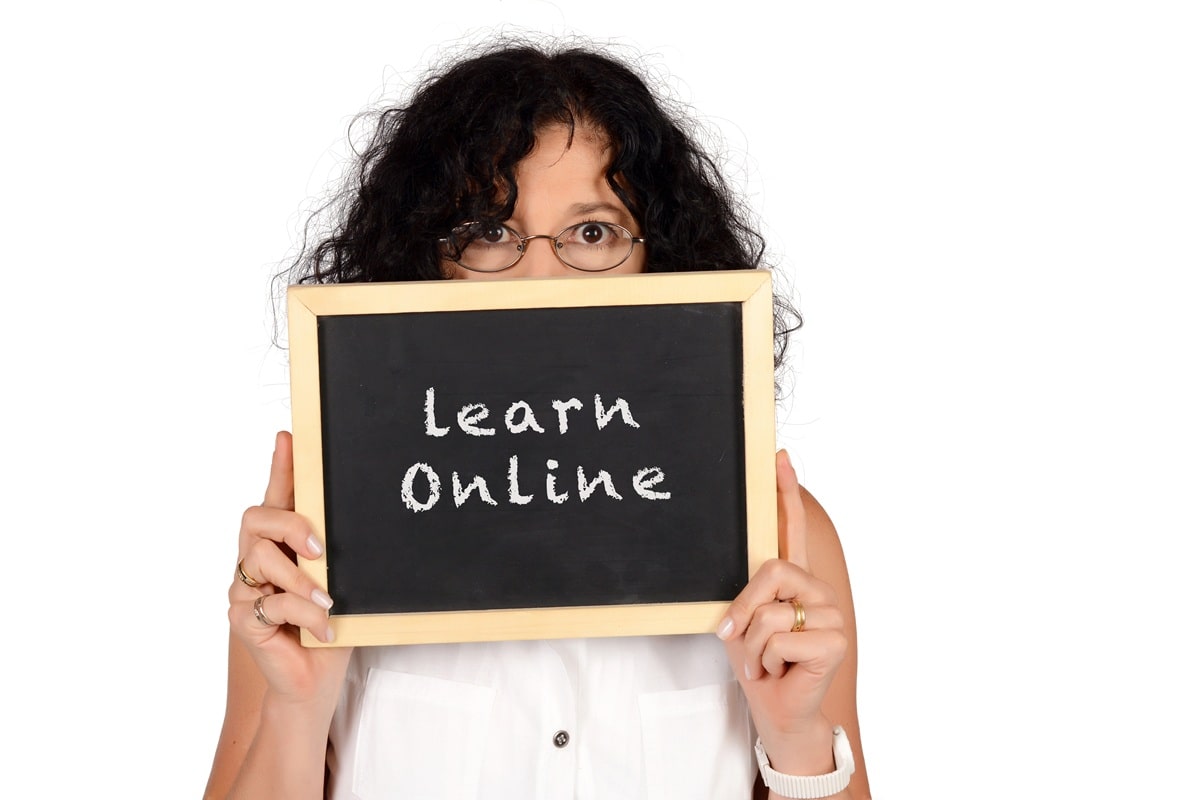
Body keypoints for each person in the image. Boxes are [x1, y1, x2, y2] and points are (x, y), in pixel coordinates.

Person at [205, 39, 871, 800]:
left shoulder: (778, 536)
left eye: (594, 231)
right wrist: (297, 711)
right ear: (428, 262)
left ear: (661, 258)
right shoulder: (321, 536)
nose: (541, 274)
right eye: (490, 232)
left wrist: (796, 744)